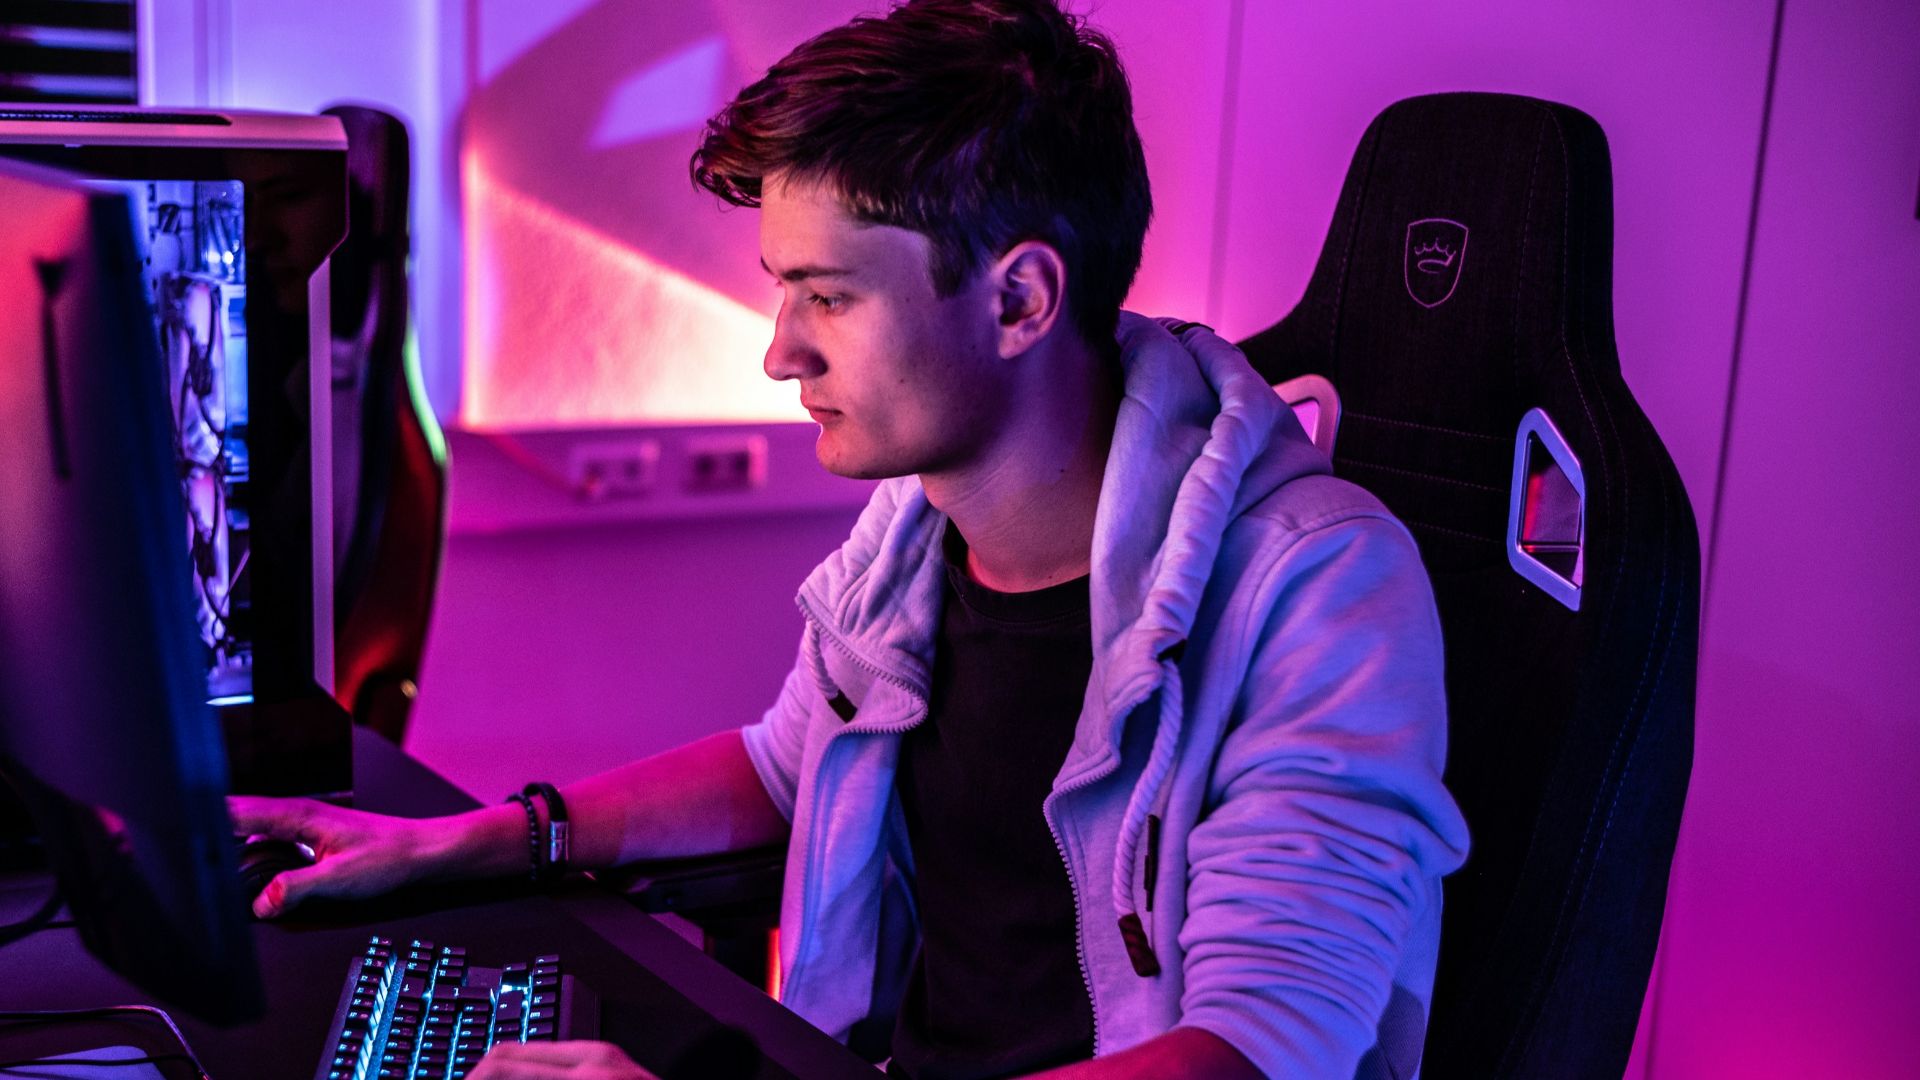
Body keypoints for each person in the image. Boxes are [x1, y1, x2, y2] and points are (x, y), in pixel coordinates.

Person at [231, 2, 1470, 1078]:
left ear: (1020, 298)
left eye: (827, 295)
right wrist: (470, 840)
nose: (781, 352)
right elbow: (789, 766)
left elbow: (1258, 1056)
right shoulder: (926, 517)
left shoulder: (1314, 586)